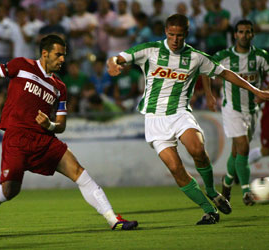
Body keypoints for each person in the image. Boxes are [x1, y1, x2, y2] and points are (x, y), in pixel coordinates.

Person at [107, 14, 269, 225]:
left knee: (197, 150)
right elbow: (117, 58)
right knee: (175, 169)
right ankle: (209, 210)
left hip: (180, 113)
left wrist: (254, 89)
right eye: (171, 34)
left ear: (187, 34)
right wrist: (112, 65)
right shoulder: (149, 50)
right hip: (154, 119)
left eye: (180, 35)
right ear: (166, 32)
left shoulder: (196, 57)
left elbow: (226, 73)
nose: (175, 39)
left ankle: (212, 191)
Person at [0, 35, 138, 236]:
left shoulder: (60, 87)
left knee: (78, 172)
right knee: (10, 191)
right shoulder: (21, 65)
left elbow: (61, 125)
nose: (62, 60)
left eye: (64, 55)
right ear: (45, 53)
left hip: (44, 139)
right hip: (17, 137)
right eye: (58, 55)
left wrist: (49, 124)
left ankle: (113, 219)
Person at [212, 20, 269, 205]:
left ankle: (227, 182)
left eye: (248, 32)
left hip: (252, 110)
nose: (244, 35)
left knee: (237, 152)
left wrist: (264, 95)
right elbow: (205, 72)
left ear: (253, 34)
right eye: (241, 32)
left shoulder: (261, 56)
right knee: (243, 146)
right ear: (235, 35)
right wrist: (208, 94)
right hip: (232, 109)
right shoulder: (223, 56)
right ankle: (246, 191)